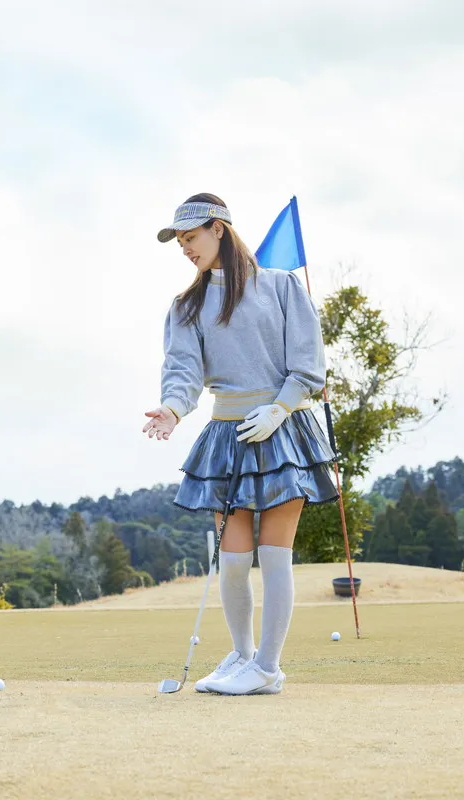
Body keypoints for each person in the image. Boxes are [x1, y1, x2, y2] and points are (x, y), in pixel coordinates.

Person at [143, 193, 338, 695]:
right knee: (232, 562)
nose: (185, 249)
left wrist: (280, 407)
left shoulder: (280, 287)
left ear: (219, 230)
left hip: (282, 430)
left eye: (191, 238)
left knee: (274, 557)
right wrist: (172, 408)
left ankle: (268, 668)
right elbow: (183, 369)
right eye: (180, 242)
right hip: (228, 436)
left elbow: (308, 362)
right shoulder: (187, 305)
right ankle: (242, 656)